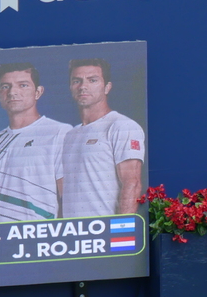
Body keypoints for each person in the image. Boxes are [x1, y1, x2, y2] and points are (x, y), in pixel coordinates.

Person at [0, 63, 71, 224]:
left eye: (23, 85)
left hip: (37, 240)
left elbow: (69, 200)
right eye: (5, 86)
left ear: (38, 92)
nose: (13, 92)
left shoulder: (59, 133)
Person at [62, 58, 145, 218]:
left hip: (104, 232)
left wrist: (121, 230)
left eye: (92, 80)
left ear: (107, 87)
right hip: (72, 234)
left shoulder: (122, 126)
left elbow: (132, 183)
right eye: (77, 81)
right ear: (71, 87)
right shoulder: (70, 135)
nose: (83, 86)